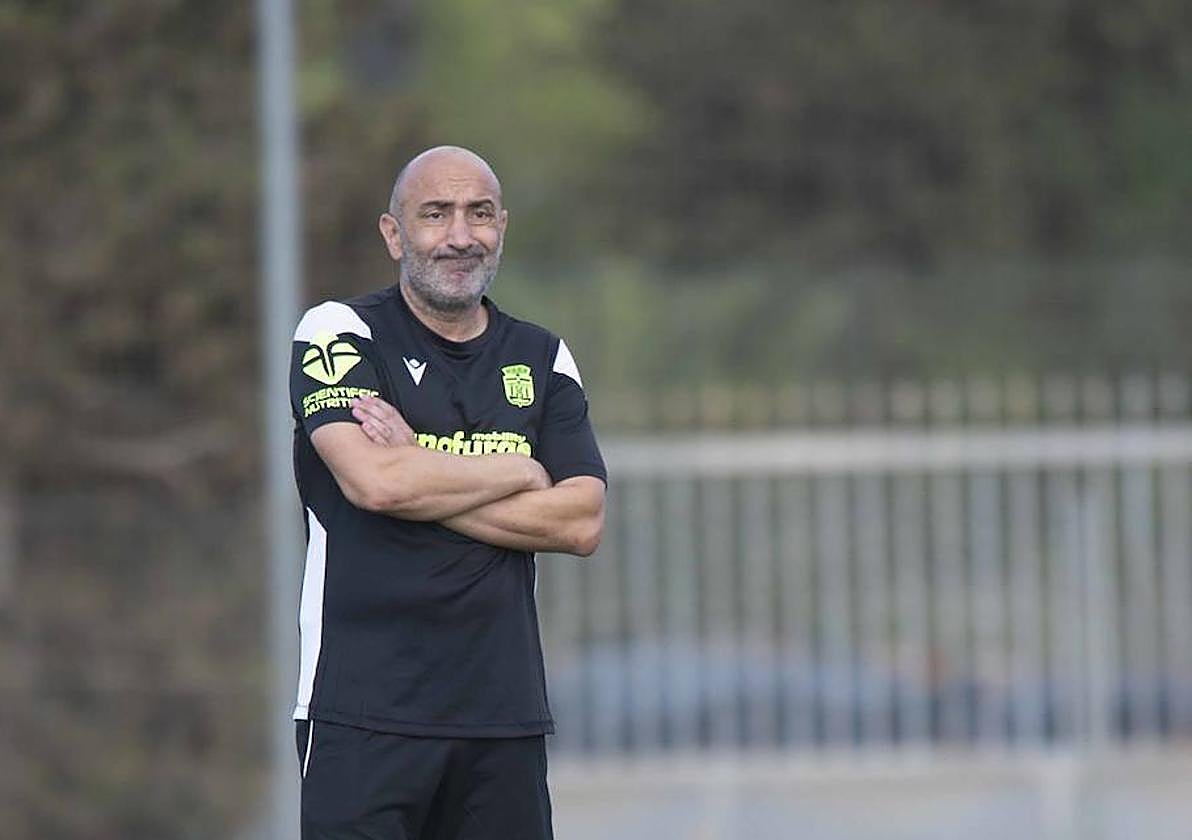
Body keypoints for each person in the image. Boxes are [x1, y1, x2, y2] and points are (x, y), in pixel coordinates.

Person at [288, 145, 607, 839]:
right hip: (362, 717)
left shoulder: (542, 356)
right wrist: (521, 472)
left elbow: (580, 521)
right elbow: (375, 482)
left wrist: (419, 464)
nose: (460, 235)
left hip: (503, 721)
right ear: (394, 233)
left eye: (479, 214)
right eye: (436, 214)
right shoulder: (338, 332)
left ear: (502, 228)